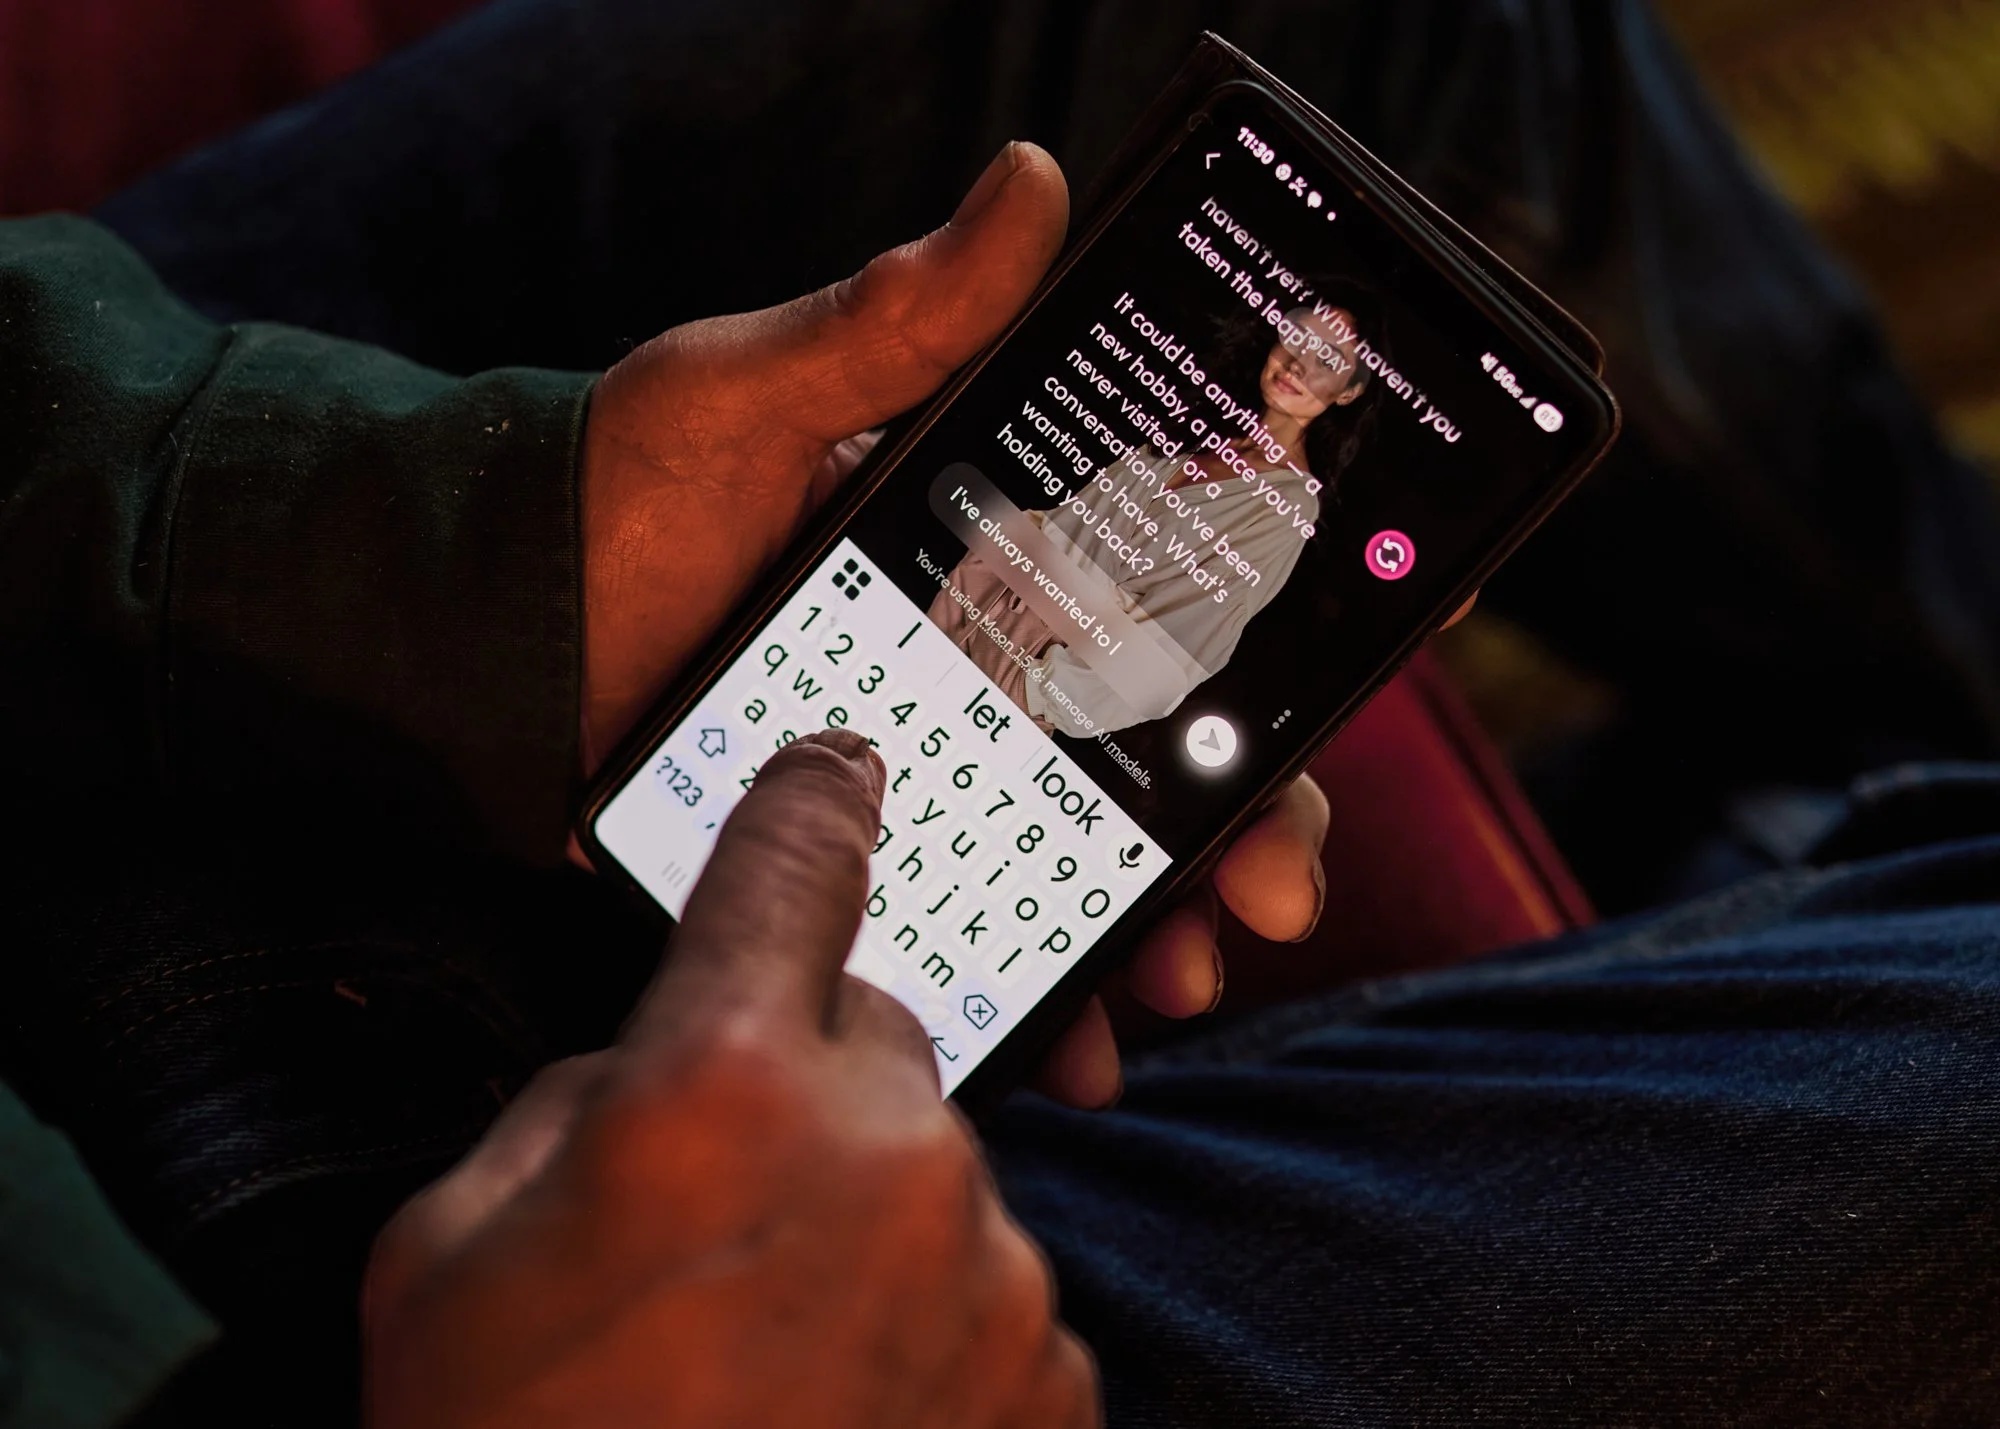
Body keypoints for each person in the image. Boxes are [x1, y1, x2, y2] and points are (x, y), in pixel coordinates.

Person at [5, 1, 2000, 1426]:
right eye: (1298, 355)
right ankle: (1802, 824)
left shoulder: (1270, 500)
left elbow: (1139, 609)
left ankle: (1827, 791)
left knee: (1385, 33)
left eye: (1322, 371)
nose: (1299, 373)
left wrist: (424, 531)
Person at [928, 290, 1382, 733]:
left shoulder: (1288, 506)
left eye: (1328, 360)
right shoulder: (1201, 425)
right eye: (1299, 338)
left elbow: (1192, 633)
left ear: (1349, 392)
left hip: (1028, 665)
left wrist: (1045, 693)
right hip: (976, 597)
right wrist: (979, 571)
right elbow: (1074, 514)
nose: (1299, 363)